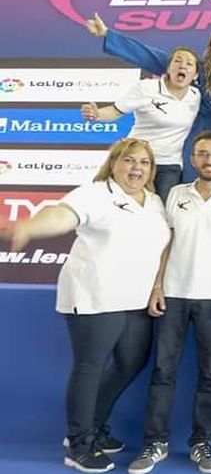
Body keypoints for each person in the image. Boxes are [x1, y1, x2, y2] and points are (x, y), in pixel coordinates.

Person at [1, 138, 170, 473]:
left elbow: (162, 245)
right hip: (94, 296)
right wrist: (28, 227)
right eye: (129, 160)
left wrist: (156, 285)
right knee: (89, 367)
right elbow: (60, 215)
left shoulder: (153, 202)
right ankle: (78, 444)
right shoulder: (94, 193)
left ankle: (92, 424)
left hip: (135, 299)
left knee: (131, 363)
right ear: (114, 163)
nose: (136, 168)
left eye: (144, 162)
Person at [127, 131, 211, 474]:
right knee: (162, 372)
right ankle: (155, 442)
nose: (209, 160)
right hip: (173, 296)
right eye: (202, 154)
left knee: (210, 375)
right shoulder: (175, 193)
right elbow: (165, 244)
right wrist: (157, 286)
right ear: (192, 159)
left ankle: (202, 442)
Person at [85, 13, 211, 182]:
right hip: (194, 139)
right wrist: (107, 34)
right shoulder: (194, 68)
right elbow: (148, 56)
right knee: (188, 187)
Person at [80, 46, 201, 202]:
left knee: (161, 210)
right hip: (136, 159)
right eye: (177, 61)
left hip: (169, 165)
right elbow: (115, 111)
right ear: (168, 68)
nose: (183, 65)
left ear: (195, 75)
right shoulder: (146, 88)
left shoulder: (196, 96)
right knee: (124, 205)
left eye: (189, 63)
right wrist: (96, 114)